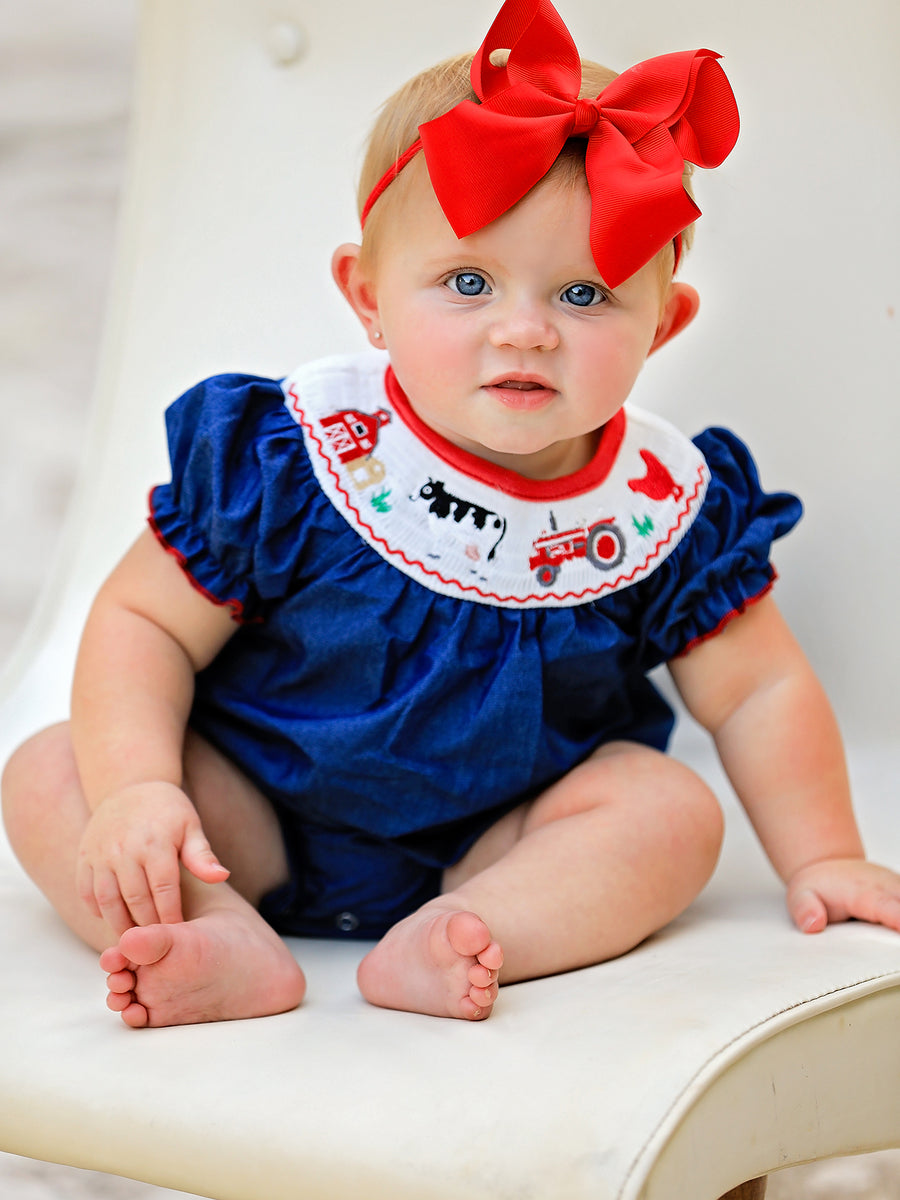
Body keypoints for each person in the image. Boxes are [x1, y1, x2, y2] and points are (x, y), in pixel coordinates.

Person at [4, 0, 900, 1030]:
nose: (524, 331)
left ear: (664, 322)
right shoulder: (302, 460)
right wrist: (135, 792)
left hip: (503, 839)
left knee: (670, 812)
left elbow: (759, 692)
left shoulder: (659, 510)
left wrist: (826, 851)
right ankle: (217, 929)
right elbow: (143, 623)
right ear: (368, 296)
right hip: (245, 817)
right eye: (468, 282)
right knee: (51, 771)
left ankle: (476, 932)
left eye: (584, 295)